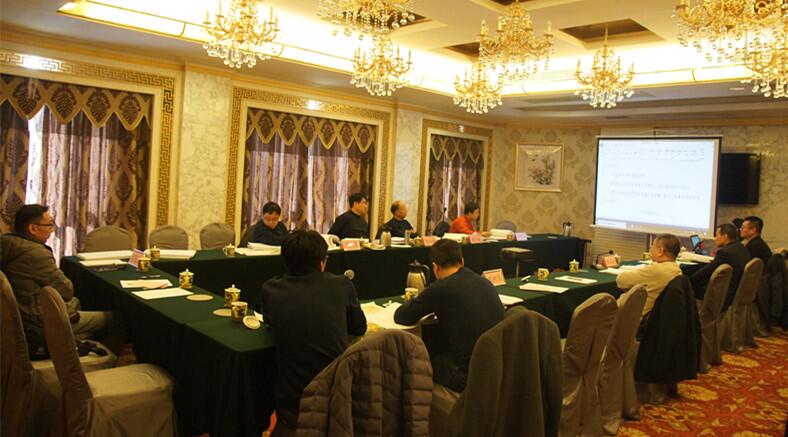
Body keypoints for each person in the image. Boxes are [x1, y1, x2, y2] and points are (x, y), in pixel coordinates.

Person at [260, 230, 367, 428]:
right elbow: (359, 328)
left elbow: (269, 321)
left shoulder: (271, 289)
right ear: (321, 262)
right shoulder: (342, 285)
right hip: (336, 395)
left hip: (291, 397)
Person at [1, 204, 119, 356]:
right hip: (39, 322)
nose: (52, 231)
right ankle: (108, 360)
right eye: (49, 225)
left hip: (21, 315)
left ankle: (74, 343)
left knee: (77, 302)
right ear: (33, 228)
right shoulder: (35, 253)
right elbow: (66, 290)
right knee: (118, 319)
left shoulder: (8, 243)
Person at [394, 239, 504, 393]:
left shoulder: (440, 289)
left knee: (421, 359)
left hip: (467, 376)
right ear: (462, 262)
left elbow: (402, 316)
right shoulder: (484, 281)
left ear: (435, 267)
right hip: (500, 368)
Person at [616, 234, 683, 317]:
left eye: (652, 247)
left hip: (633, 317)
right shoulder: (677, 269)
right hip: (657, 317)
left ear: (660, 251)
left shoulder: (655, 270)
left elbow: (621, 281)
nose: (650, 250)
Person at [691, 223, 751, 311]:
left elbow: (706, 273)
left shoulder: (725, 252)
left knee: (688, 285)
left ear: (725, 236)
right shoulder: (742, 248)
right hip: (738, 292)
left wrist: (689, 280)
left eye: (717, 235)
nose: (716, 238)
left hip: (724, 295)